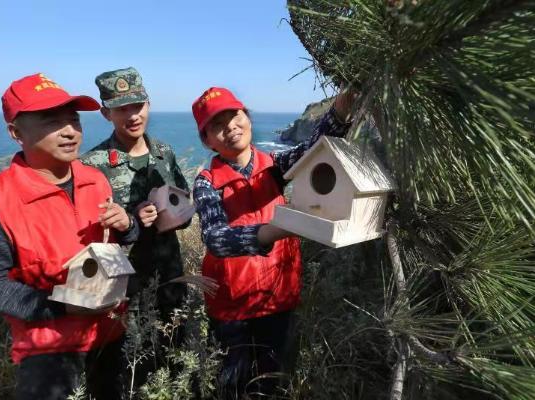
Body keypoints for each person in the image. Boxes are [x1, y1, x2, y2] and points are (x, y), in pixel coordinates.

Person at [0, 73, 139, 400]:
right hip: (48, 352)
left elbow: (113, 246)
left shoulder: (96, 180)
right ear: (16, 132)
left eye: (73, 120)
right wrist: (62, 306)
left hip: (111, 335)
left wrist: (129, 224)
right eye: (51, 122)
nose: (70, 131)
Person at [191, 87, 354, 399]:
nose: (230, 127)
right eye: (216, 124)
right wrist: (271, 231)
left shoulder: (275, 166)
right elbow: (215, 238)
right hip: (231, 307)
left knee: (272, 382)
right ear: (207, 140)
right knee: (233, 385)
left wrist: (339, 114)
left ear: (248, 119)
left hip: (277, 297)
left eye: (235, 116)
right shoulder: (206, 182)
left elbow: (313, 150)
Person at [80, 67, 190, 382]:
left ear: (149, 104)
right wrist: (130, 222)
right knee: (131, 365)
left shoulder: (163, 153)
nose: (132, 115)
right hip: (123, 287)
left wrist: (176, 216)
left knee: (175, 355)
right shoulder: (92, 165)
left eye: (138, 105)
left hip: (170, 275)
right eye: (121, 109)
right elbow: (89, 237)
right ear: (105, 113)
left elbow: (183, 208)